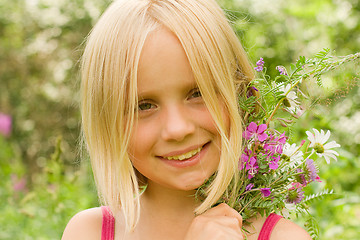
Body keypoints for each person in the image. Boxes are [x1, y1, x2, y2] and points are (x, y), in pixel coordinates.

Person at [62, 0, 312, 239]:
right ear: (108, 123)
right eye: (144, 106)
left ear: (239, 93)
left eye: (197, 93)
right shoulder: (88, 232)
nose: (177, 129)